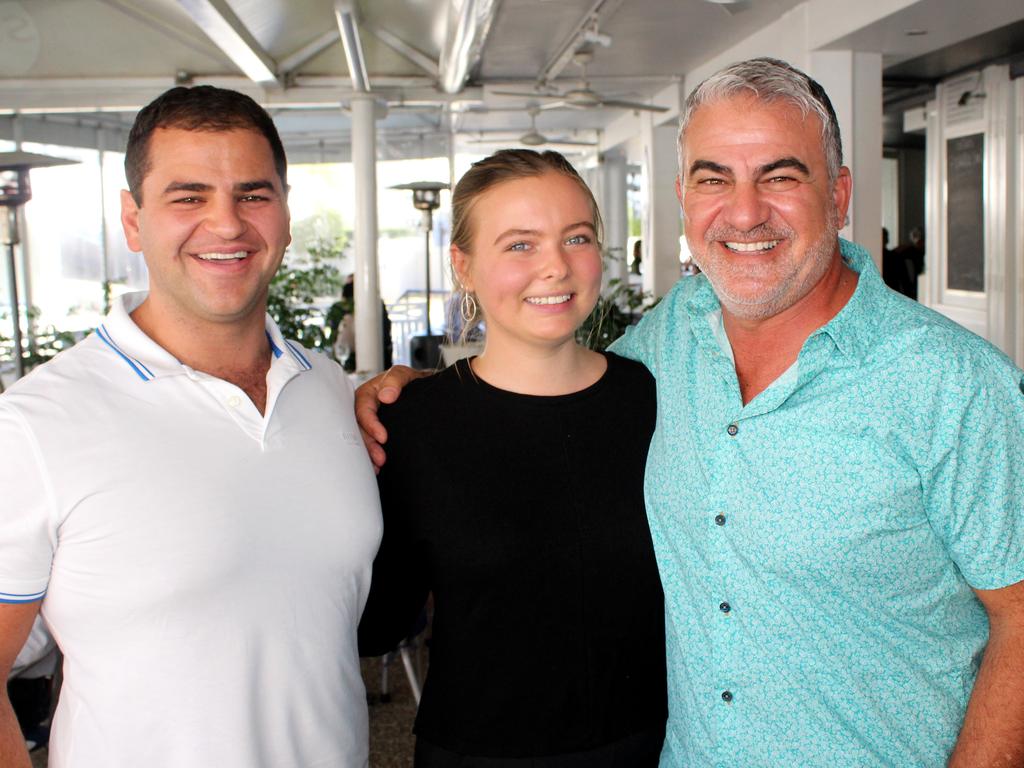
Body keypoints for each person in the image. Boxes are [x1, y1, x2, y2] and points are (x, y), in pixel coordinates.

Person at [356, 58, 1024, 767]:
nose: (744, 213)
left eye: (780, 175)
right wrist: (405, 392)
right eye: (714, 179)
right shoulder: (662, 350)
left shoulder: (956, 385)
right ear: (682, 198)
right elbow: (535, 388)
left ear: (840, 192)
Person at [0, 85, 382, 768]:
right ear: (132, 219)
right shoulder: (37, 424)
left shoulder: (327, 390)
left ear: (286, 215)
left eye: (254, 194)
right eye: (188, 196)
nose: (228, 224)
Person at [357, 148, 667, 766]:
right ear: (464, 265)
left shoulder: (654, 398)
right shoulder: (412, 423)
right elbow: (378, 621)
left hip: (650, 746)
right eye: (520, 245)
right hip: (478, 750)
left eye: (575, 237)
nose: (555, 266)